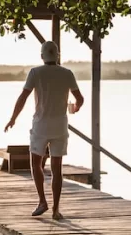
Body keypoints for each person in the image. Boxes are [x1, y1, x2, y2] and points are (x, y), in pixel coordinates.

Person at [5, 40, 84, 219]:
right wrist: (76, 107)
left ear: (42, 56)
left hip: (40, 125)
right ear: (58, 56)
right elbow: (79, 98)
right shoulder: (67, 73)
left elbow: (23, 97)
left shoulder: (35, 73)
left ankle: (42, 201)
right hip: (60, 126)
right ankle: (56, 210)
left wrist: (13, 118)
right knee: (57, 168)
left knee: (36, 164)